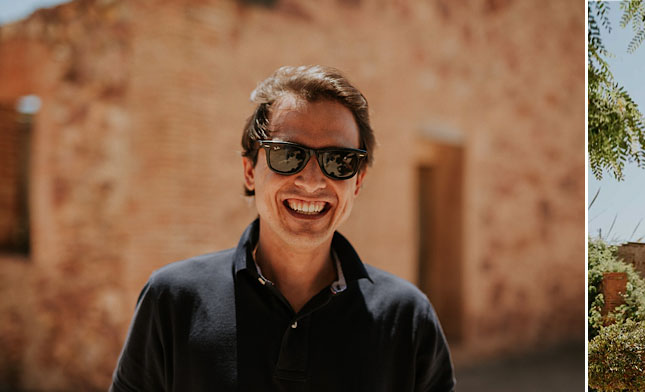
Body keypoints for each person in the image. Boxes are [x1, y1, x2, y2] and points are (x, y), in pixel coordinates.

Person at [110, 65, 455, 391]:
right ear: (249, 171)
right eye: (288, 155)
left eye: (338, 161)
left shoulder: (408, 318)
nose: (312, 180)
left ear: (358, 181)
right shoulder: (172, 301)